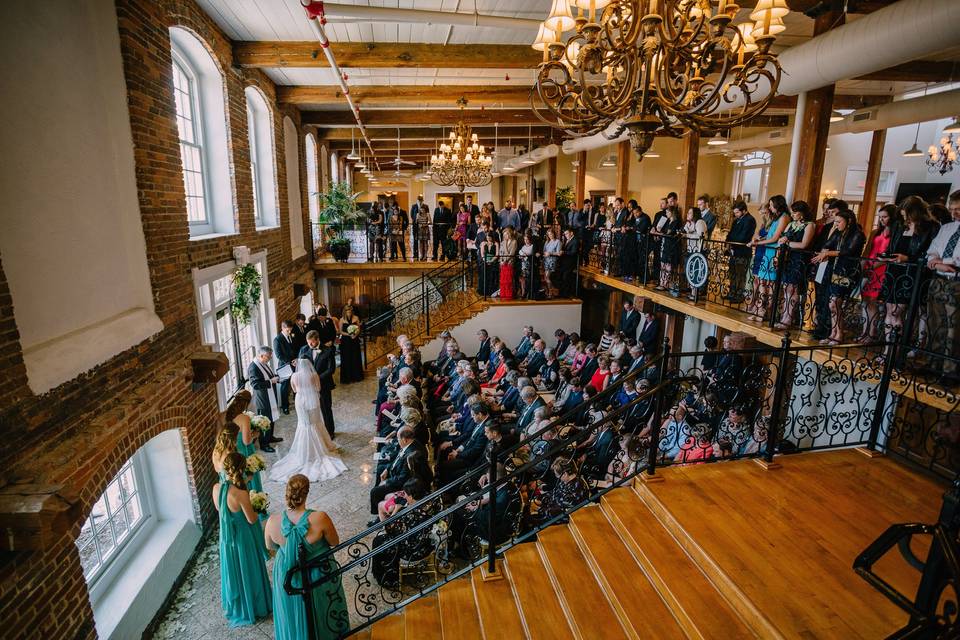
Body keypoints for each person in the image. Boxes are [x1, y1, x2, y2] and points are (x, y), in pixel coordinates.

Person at [265, 475, 348, 640]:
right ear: (306, 493)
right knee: (322, 607)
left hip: (287, 574)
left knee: (290, 611)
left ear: (287, 493)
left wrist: (287, 548)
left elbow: (270, 547)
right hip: (317, 571)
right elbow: (334, 541)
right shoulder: (320, 518)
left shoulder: (272, 521)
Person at [213, 453, 272, 627]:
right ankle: (256, 606)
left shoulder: (217, 488)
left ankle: (241, 605)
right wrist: (255, 505)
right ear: (241, 469)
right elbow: (252, 519)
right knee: (249, 568)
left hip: (227, 539)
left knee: (236, 570)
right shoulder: (241, 494)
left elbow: (221, 509)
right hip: (243, 538)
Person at [269, 358, 347, 482]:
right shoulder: (314, 375)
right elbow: (318, 388)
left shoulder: (294, 376)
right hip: (313, 401)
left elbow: (294, 390)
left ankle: (305, 451)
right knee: (316, 423)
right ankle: (322, 447)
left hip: (300, 401)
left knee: (304, 424)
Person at [882, 196, 939, 345]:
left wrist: (908, 259)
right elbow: (892, 247)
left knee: (896, 312)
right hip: (893, 271)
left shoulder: (931, 227)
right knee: (889, 312)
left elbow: (930, 254)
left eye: (907, 214)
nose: (904, 218)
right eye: (902, 215)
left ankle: (895, 350)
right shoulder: (899, 226)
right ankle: (887, 349)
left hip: (912, 275)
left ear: (915, 213)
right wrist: (886, 256)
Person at [811, 208, 866, 344]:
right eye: (835, 222)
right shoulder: (838, 232)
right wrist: (823, 253)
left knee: (835, 303)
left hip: (847, 271)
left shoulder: (857, 234)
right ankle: (833, 332)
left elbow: (848, 251)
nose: (836, 224)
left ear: (849, 221)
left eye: (839, 222)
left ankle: (839, 333)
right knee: (832, 304)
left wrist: (828, 254)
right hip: (834, 270)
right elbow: (827, 244)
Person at [925, 190, 960, 375]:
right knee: (935, 323)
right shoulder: (947, 228)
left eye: (959, 209)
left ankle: (949, 371)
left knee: (953, 329)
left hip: (957, 282)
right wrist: (937, 261)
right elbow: (932, 251)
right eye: (952, 209)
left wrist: (944, 262)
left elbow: (957, 260)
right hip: (938, 280)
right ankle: (933, 364)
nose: (954, 213)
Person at [858, 204, 900, 343]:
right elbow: (868, 250)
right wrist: (863, 266)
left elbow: (890, 255)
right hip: (869, 267)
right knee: (866, 301)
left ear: (892, 217)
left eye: (885, 217)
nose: (882, 220)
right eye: (880, 217)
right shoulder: (875, 232)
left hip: (882, 270)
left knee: (873, 301)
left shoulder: (896, 234)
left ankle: (872, 333)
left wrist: (874, 266)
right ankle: (865, 331)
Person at [774, 201, 816, 330]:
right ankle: (784, 315)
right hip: (787, 258)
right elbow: (782, 238)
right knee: (786, 288)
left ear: (802, 213)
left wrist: (787, 243)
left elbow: (804, 244)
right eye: (792, 212)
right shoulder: (791, 224)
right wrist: (783, 243)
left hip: (799, 259)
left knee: (793, 289)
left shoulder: (809, 225)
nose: (792, 215)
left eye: (795, 212)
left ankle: (789, 317)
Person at [747, 197, 789, 322]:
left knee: (770, 283)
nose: (770, 208)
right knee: (761, 282)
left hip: (773, 251)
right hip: (767, 250)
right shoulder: (776, 218)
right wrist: (758, 240)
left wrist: (758, 244)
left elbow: (775, 238)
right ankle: (759, 308)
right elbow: (768, 235)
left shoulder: (784, 217)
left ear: (778, 205)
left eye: (771, 205)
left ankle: (767, 311)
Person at [369, 426, 425, 516]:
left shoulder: (411, 455)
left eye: (398, 438)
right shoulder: (408, 444)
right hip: (395, 472)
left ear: (405, 440)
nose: (397, 440)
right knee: (380, 469)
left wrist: (387, 481)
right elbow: (397, 458)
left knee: (375, 492)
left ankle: (379, 513)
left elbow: (402, 478)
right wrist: (387, 469)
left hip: (401, 483)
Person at [299, 330, 337, 438]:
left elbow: (331, 369)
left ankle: (330, 431)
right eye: (308, 342)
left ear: (317, 340)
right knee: (312, 409)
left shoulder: (328, 350)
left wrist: (317, 378)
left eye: (312, 342)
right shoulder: (304, 350)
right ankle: (316, 432)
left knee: (326, 408)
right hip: (309, 386)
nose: (310, 345)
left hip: (324, 385)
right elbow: (300, 366)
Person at [248, 346, 280, 452]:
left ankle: (270, 437)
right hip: (263, 399)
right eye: (268, 356)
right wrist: (271, 382)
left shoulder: (263, 364)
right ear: (261, 356)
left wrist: (277, 377)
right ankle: (264, 444)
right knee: (265, 421)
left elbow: (269, 376)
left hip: (270, 396)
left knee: (272, 418)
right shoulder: (253, 367)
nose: (270, 358)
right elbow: (255, 384)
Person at [724, 201, 756, 303]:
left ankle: (739, 295)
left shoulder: (750, 220)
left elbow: (743, 237)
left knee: (740, 274)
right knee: (732, 273)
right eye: (735, 213)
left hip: (743, 251)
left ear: (744, 210)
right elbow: (729, 234)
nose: (736, 214)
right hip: (734, 251)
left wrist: (732, 239)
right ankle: (731, 293)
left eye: (737, 212)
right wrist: (729, 240)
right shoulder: (736, 220)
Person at [655, 206, 683, 294]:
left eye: (667, 212)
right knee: (663, 264)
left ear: (672, 213)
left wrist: (659, 232)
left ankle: (666, 284)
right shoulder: (668, 221)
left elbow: (669, 233)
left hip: (671, 246)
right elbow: (664, 231)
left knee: (668, 265)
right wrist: (659, 231)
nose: (666, 213)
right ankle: (661, 282)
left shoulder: (675, 221)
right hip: (665, 244)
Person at [273, 321, 299, 415]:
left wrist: (296, 359)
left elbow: (295, 348)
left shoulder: (291, 336)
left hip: (295, 363)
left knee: (296, 382)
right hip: (284, 366)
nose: (289, 332)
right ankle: (285, 407)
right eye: (288, 330)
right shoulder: (277, 340)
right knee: (285, 386)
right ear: (283, 328)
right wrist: (290, 362)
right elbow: (279, 355)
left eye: (290, 330)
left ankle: (297, 401)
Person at [683, 207, 708, 300]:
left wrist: (687, 235)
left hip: (698, 250)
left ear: (695, 214)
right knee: (690, 271)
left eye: (690, 213)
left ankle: (696, 293)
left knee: (696, 271)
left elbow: (700, 236)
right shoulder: (691, 223)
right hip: (691, 250)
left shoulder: (700, 222)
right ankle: (692, 291)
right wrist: (686, 228)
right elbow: (685, 231)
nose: (687, 214)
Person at [339, 319, 363, 384]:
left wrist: (355, 334)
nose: (349, 313)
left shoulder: (356, 318)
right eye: (347, 311)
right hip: (345, 341)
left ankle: (356, 376)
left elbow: (358, 329)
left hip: (354, 340)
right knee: (347, 358)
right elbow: (340, 331)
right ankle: (347, 377)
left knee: (355, 357)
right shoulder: (341, 320)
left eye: (350, 311)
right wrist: (349, 334)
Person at [542, 227, 562, 298]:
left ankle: (551, 292)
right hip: (546, 261)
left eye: (551, 234)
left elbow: (559, 253)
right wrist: (545, 254)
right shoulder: (547, 242)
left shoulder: (558, 242)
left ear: (554, 234)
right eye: (549, 234)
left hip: (553, 261)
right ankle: (550, 291)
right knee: (545, 278)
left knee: (547, 277)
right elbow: (544, 251)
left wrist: (550, 253)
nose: (550, 235)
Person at [499, 226, 518, 300]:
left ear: (509, 234)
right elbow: (500, 252)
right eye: (504, 235)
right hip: (503, 263)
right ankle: (503, 294)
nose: (505, 236)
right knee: (503, 280)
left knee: (508, 280)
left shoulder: (514, 241)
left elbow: (512, 253)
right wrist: (501, 261)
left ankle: (509, 295)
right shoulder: (503, 242)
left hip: (509, 263)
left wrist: (505, 261)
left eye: (506, 234)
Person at [560, 228, 579, 297]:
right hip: (565, 262)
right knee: (562, 277)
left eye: (567, 233)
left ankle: (565, 294)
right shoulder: (567, 240)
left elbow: (573, 252)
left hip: (570, 262)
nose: (566, 235)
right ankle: (562, 293)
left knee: (566, 277)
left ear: (571, 233)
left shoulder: (575, 241)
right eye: (565, 234)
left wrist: (564, 252)